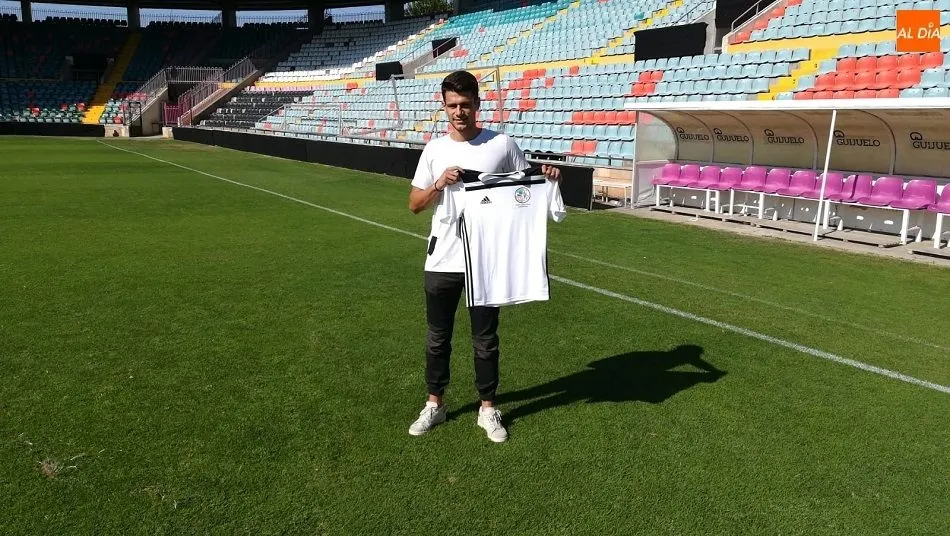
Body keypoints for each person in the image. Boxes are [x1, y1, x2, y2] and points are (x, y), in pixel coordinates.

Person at [407, 70, 562, 443]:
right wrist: (439, 184)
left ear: (477, 103)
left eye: (465, 104)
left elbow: (524, 191)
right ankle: (435, 404)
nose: (459, 112)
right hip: (443, 257)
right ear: (444, 107)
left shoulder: (502, 145)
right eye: (452, 105)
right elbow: (414, 204)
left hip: (486, 260)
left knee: (485, 338)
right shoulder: (434, 150)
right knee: (437, 337)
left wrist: (549, 179)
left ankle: (488, 409)